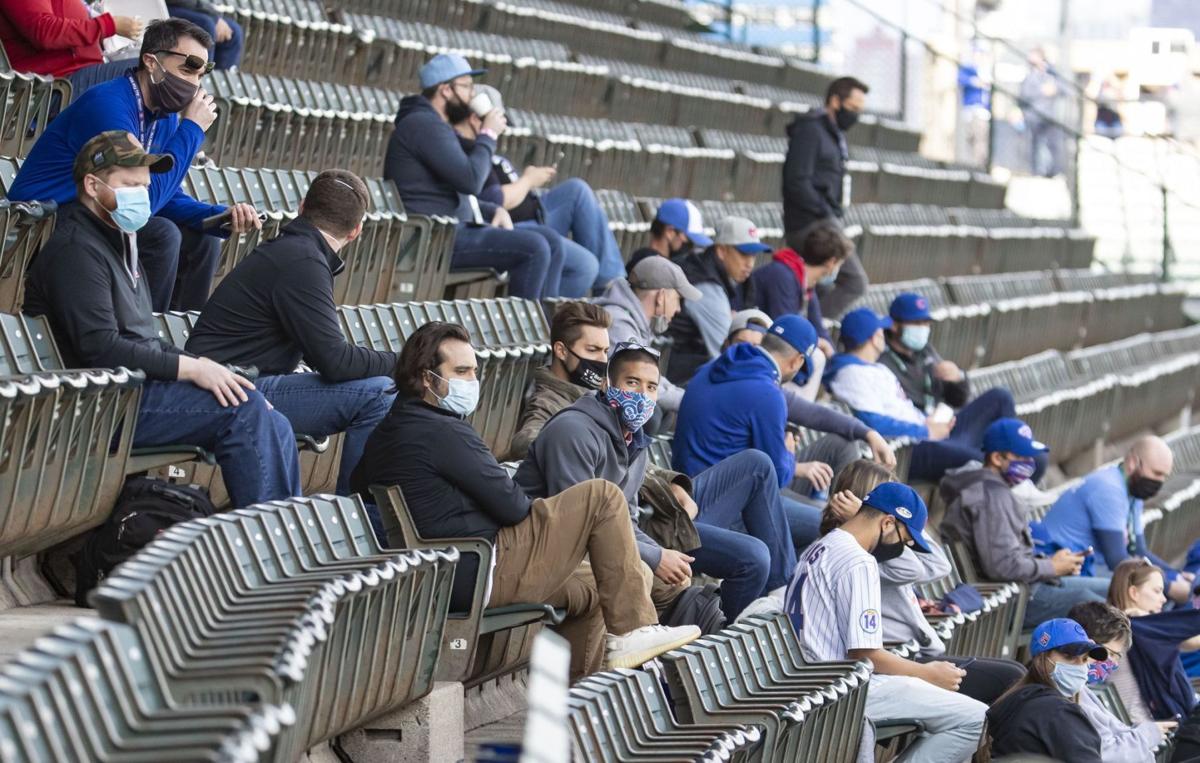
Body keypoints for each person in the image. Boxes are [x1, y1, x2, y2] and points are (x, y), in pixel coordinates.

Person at [349, 321, 699, 679]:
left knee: (599, 583)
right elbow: (513, 506)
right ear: (427, 378)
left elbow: (357, 483)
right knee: (601, 495)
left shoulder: (388, 430)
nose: (472, 380)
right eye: (461, 371)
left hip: (455, 567)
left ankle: (578, 698)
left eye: (474, 370)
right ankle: (633, 632)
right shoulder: (444, 432)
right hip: (482, 566)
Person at [23, 131, 301, 508]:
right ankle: (267, 544)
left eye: (145, 185)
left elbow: (144, 339)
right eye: (130, 184)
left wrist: (209, 368)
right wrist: (190, 369)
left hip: (129, 393)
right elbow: (100, 346)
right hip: (94, 405)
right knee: (243, 411)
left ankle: (282, 533)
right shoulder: (75, 250)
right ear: (92, 184)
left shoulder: (119, 239)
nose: (141, 194)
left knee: (270, 415)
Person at [517, 341, 799, 620]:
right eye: (632, 383)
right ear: (607, 385)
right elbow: (580, 525)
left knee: (756, 470)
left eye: (651, 387)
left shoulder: (634, 440)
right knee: (752, 557)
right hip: (552, 555)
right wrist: (655, 556)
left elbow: (628, 519)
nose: (642, 395)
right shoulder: (573, 431)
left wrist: (657, 551)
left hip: (635, 534)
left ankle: (720, 630)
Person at [9, 18, 260, 312]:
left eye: (202, 74)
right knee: (163, 235)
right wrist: (191, 129)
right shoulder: (109, 105)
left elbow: (167, 197)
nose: (195, 84)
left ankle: (178, 342)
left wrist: (218, 216)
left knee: (204, 239)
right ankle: (140, 338)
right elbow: (143, 206)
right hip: (39, 224)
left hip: (96, 214)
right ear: (151, 62)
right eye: (188, 67)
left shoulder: (163, 116)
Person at [185, 169, 396, 495]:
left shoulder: (298, 252)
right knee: (380, 393)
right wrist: (408, 361)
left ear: (301, 207)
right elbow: (335, 361)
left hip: (236, 381)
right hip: (230, 388)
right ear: (356, 232)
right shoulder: (303, 260)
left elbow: (324, 354)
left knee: (379, 387)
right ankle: (362, 514)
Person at [786, 481, 987, 763]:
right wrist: (927, 673)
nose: (903, 547)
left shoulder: (822, 546)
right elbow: (865, 653)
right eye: (904, 539)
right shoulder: (859, 561)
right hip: (838, 688)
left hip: (811, 679)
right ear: (888, 523)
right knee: (976, 719)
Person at [673, 314, 890, 550]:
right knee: (835, 524)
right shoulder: (766, 392)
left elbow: (812, 413)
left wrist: (868, 433)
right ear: (797, 361)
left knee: (843, 445)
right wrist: (789, 455)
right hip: (724, 506)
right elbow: (776, 475)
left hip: (697, 491)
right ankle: (785, 583)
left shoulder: (721, 368)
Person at [821, 459, 1026, 705]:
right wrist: (869, 518)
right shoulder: (863, 555)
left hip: (911, 655)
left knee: (1014, 674)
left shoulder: (869, 548)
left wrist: (911, 523)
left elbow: (941, 565)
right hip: (898, 664)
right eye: (889, 498)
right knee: (1007, 683)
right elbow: (919, 568)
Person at [383, 53, 559, 299]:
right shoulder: (423, 125)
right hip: (432, 239)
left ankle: (547, 326)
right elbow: (470, 180)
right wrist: (487, 134)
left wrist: (491, 210)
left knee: (549, 240)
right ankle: (530, 332)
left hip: (449, 230)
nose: (472, 95)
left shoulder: (432, 124)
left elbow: (454, 189)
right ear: (446, 90)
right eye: (467, 86)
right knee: (535, 248)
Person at [824, 307, 1044, 486]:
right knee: (982, 462)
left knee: (1000, 398)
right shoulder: (851, 374)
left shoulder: (875, 368)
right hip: (911, 448)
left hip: (928, 431)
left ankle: (1015, 454)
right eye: (880, 331)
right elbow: (871, 422)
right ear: (874, 337)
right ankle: (1013, 481)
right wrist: (925, 430)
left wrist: (930, 419)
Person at [939, 418, 1110, 627]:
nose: (1029, 463)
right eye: (1020, 456)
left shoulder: (989, 489)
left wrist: (1052, 562)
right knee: (1106, 608)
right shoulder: (991, 497)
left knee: (1116, 588)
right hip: (1014, 599)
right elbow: (1002, 566)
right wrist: (1051, 567)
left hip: (1023, 588)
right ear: (996, 458)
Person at [468, 85, 625, 293]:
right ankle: (553, 319)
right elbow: (495, 199)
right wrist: (528, 180)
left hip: (536, 212)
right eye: (497, 122)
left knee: (576, 190)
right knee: (585, 266)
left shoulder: (488, 150)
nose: (501, 129)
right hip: (511, 226)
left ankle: (613, 285)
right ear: (476, 119)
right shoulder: (474, 152)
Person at [1034, 437, 1191, 599]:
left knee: (1157, 589)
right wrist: (1168, 586)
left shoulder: (1133, 491)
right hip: (1061, 572)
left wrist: (1175, 574)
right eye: (1156, 473)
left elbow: (1138, 549)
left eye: (1164, 476)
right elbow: (1116, 560)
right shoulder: (1109, 488)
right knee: (1142, 593)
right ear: (1133, 463)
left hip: (1088, 566)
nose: (1160, 482)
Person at [782, 76, 870, 318]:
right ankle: (813, 331)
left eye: (860, 110)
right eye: (853, 108)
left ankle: (808, 329)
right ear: (835, 100)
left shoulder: (833, 134)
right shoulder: (811, 130)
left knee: (820, 286)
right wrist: (824, 210)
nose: (855, 115)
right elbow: (796, 181)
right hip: (810, 223)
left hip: (824, 219)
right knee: (855, 282)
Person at [986, 618, 1113, 762]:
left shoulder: (1015, 698)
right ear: (1042, 659)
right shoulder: (1059, 712)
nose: (1079, 667)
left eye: (1084, 659)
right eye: (1070, 657)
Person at [1107, 558, 1200, 749]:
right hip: (1156, 731)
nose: (1164, 599)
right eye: (1157, 591)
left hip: (1147, 727)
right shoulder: (1138, 625)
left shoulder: (1113, 623)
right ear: (1133, 592)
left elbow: (1191, 642)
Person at [665, 216, 767, 384]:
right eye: (744, 254)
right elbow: (730, 358)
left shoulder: (710, 267)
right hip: (676, 379)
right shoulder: (706, 285)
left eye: (753, 255)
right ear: (721, 251)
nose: (750, 263)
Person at [594, 255, 701, 414]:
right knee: (654, 413)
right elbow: (639, 381)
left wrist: (685, 397)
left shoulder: (634, 321)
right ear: (661, 297)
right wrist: (692, 402)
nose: (678, 309)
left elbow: (651, 379)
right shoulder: (619, 324)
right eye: (678, 299)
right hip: (594, 407)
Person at [1069, 601, 1174, 762]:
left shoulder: (1083, 690)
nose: (1114, 663)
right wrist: (1149, 734)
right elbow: (1106, 755)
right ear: (1087, 643)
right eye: (1111, 654)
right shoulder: (1066, 694)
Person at [508, 300, 613, 461]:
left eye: (606, 351)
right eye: (592, 350)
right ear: (561, 351)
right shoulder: (546, 401)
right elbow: (525, 441)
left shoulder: (597, 399)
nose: (603, 360)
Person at [750, 219, 848, 355]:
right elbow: (785, 330)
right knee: (815, 355)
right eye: (839, 264)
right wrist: (819, 343)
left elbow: (818, 328)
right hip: (754, 342)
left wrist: (835, 360)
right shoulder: (782, 275)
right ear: (831, 263)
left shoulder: (807, 285)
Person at [878, 292, 971, 415]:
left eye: (926, 323)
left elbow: (957, 400)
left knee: (998, 398)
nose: (923, 328)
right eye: (916, 323)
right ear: (894, 326)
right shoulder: (880, 356)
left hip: (941, 421)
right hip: (913, 427)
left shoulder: (925, 350)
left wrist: (957, 378)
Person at [0, 0, 143, 79]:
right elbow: (44, 32)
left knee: (156, 66)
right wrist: (107, 25)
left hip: (78, 72)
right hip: (57, 83)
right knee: (152, 70)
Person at [626, 198, 712, 272]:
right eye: (687, 239)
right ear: (669, 232)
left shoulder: (640, 261)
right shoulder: (656, 270)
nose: (690, 247)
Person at [1019, 48, 1064, 178]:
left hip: (1050, 116)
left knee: (1053, 145)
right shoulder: (1029, 76)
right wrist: (1042, 91)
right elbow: (1024, 95)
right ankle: (1036, 172)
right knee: (1035, 145)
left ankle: (1054, 171)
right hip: (1034, 116)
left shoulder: (1052, 74)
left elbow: (1063, 89)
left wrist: (1054, 89)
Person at [166, 1, 243, 71]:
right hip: (163, 6)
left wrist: (214, 17)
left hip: (187, 6)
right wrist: (215, 18)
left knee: (234, 31)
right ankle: (201, 77)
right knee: (206, 25)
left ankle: (214, 80)